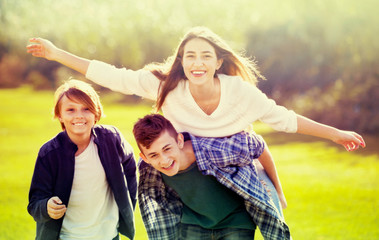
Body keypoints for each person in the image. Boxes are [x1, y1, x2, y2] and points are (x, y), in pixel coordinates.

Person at [26, 26, 365, 222]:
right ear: (181, 61)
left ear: (218, 61)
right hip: (189, 177)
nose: (197, 63)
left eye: (205, 56)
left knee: (274, 223)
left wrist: (335, 134)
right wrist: (57, 54)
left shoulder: (241, 93)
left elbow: (286, 121)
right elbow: (114, 77)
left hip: (240, 172)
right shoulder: (166, 86)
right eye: (189, 56)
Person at [133, 114, 289, 240]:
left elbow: (257, 145)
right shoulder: (148, 171)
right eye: (153, 155)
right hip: (192, 224)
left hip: (236, 221)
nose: (164, 160)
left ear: (179, 141)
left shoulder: (213, 149)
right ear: (144, 157)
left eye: (167, 149)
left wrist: (278, 191)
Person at [27, 80, 137, 240]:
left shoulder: (111, 139)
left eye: (86, 109)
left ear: (96, 113)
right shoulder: (49, 153)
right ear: (60, 115)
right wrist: (47, 207)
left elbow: (130, 167)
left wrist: (127, 203)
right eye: (70, 110)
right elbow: (35, 204)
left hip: (109, 236)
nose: (79, 115)